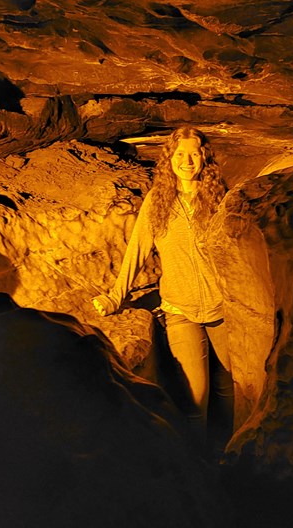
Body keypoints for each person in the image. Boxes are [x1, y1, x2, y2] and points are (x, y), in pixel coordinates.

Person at [93, 126, 234, 452]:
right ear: (169, 158)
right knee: (196, 397)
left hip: (221, 307)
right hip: (180, 310)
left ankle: (230, 451)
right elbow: (138, 250)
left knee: (228, 388)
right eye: (180, 154)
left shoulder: (216, 196)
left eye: (194, 153)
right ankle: (198, 463)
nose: (187, 161)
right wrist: (116, 296)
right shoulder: (158, 200)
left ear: (204, 157)